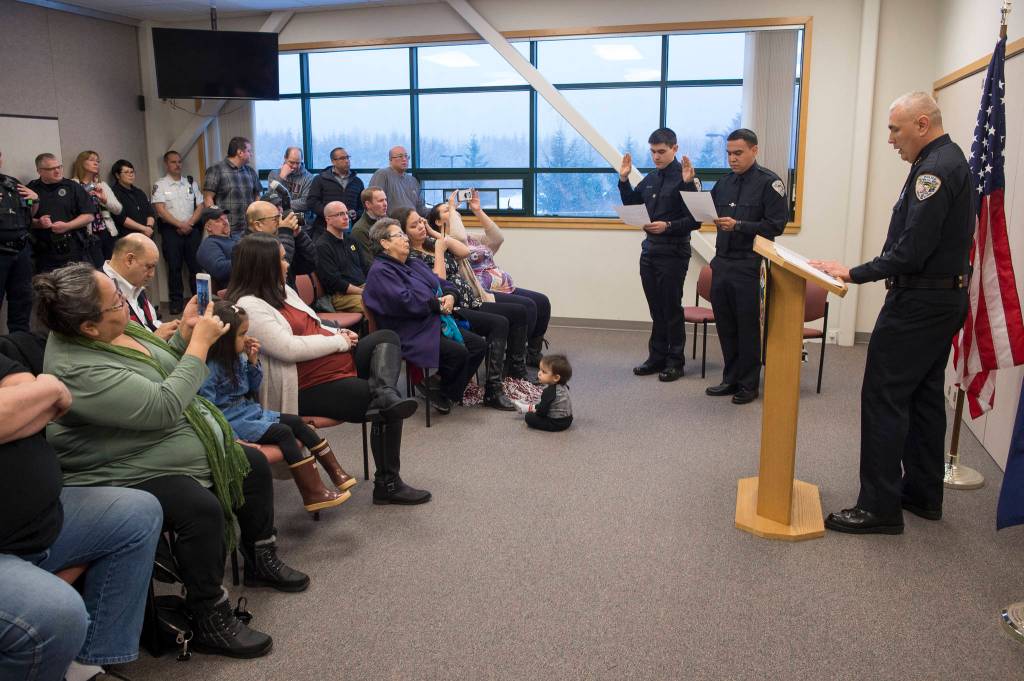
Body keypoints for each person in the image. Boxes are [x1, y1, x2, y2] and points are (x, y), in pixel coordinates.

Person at [37, 263, 308, 657]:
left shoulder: (115, 329)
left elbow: (167, 369)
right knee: (200, 508)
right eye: (114, 302)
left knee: (250, 466)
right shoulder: (77, 368)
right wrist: (200, 344)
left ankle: (260, 560)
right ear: (88, 328)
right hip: (115, 469)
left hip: (149, 444)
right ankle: (208, 613)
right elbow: (162, 406)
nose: (124, 303)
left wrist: (182, 335)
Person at [809, 91, 972, 535]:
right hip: (940, 300)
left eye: (894, 129)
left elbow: (912, 249)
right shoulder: (943, 160)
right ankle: (922, 492)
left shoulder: (935, 170)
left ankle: (878, 507)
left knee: (883, 397)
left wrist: (854, 273)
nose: (890, 139)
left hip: (919, 303)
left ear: (922, 124)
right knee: (921, 397)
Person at [226, 233, 430, 505]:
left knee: (387, 338)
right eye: (282, 260)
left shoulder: (282, 290)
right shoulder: (249, 306)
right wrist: (337, 342)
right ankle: (388, 484)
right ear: (262, 266)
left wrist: (336, 330)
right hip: (307, 385)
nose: (287, 265)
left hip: (334, 364)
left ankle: (385, 393)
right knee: (384, 408)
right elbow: (288, 348)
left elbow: (313, 322)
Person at [0, 348, 163, 681]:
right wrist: (48, 389)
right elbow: (40, 396)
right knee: (56, 613)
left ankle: (86, 666)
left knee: (138, 513)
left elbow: (28, 390)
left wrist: (27, 401)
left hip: (42, 517)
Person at [199, 300, 350, 512]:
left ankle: (335, 473)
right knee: (284, 433)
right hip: (234, 422)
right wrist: (233, 438)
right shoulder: (210, 368)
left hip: (250, 412)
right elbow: (208, 410)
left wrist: (252, 362)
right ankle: (312, 492)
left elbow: (252, 387)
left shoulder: (237, 357)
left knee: (297, 422)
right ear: (224, 338)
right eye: (241, 335)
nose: (246, 338)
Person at [396, 205, 517, 410]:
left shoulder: (430, 241)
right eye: (414, 225)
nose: (420, 226)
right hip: (449, 307)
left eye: (421, 221)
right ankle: (487, 389)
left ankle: (450, 386)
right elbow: (437, 281)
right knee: (498, 325)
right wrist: (440, 250)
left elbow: (465, 251)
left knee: (512, 317)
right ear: (403, 232)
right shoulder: (411, 257)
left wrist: (435, 235)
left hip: (465, 299)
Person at [363, 218, 487, 415]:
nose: (405, 238)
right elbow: (404, 302)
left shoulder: (411, 262)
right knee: (459, 353)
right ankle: (439, 388)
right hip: (410, 329)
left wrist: (451, 296)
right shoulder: (380, 271)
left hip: (433, 321)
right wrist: (436, 304)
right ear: (384, 243)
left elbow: (440, 283)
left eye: (404, 234)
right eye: (399, 235)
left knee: (478, 346)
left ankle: (442, 389)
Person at [704, 129, 788, 405]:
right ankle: (730, 378)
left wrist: (739, 225)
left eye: (738, 153)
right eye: (728, 153)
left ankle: (749, 384)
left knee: (748, 326)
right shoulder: (724, 183)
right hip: (723, 262)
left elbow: (776, 226)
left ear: (754, 150)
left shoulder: (769, 183)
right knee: (726, 324)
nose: (732, 159)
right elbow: (707, 209)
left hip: (750, 264)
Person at [431, 190, 550, 370]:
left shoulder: (470, 237)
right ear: (438, 222)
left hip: (504, 285)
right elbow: (458, 238)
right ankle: (516, 356)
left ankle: (531, 353)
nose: (454, 212)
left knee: (542, 301)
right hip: (484, 289)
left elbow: (497, 238)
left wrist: (477, 210)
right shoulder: (450, 241)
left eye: (454, 210)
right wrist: (454, 209)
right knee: (528, 306)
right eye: (447, 211)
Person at [618, 127, 700, 382]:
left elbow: (697, 220)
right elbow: (632, 203)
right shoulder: (651, 178)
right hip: (650, 250)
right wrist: (623, 180)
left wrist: (669, 226)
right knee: (656, 308)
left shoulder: (687, 177)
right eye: (653, 152)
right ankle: (656, 357)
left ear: (675, 149)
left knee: (671, 308)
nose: (656, 156)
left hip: (674, 251)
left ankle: (675, 361)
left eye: (662, 152)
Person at [152, 150, 204, 315]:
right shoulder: (160, 185)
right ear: (166, 164)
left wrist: (190, 223)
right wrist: (179, 225)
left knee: (195, 267)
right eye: (173, 162)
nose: (177, 165)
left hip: (191, 229)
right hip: (171, 231)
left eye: (179, 162)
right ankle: (176, 302)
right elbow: (160, 210)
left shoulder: (190, 183)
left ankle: (199, 301)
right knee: (174, 268)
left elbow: (200, 206)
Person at [27, 153, 98, 272]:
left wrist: (67, 226)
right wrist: (38, 223)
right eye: (51, 169)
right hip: (45, 252)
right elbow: (24, 218)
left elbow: (89, 215)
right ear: (40, 171)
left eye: (59, 167)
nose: (57, 171)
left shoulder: (72, 187)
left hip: (73, 248)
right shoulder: (31, 190)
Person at [103, 233, 179, 339]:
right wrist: (155, 338)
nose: (152, 274)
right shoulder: (100, 292)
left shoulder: (132, 281)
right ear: (129, 260)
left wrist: (173, 328)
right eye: (149, 267)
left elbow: (151, 323)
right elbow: (114, 347)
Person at [0, 150, 39, 332]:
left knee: (22, 302)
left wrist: (35, 200)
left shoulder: (11, 183)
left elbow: (29, 214)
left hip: (21, 251)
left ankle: (19, 346)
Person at [246, 199, 318, 284]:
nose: (281, 222)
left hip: (289, 294)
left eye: (280, 216)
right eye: (276, 219)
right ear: (258, 225)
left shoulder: (280, 238)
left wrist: (299, 236)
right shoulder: (245, 248)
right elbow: (275, 272)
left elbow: (310, 264)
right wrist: (285, 231)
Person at [203, 136, 262, 236]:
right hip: (227, 230)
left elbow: (257, 196)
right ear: (240, 153)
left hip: (249, 229)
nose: (251, 154)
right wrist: (217, 224)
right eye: (249, 151)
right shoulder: (216, 169)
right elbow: (208, 198)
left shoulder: (251, 172)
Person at [70, 150, 122, 261]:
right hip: (87, 235)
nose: (96, 163)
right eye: (91, 160)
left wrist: (104, 200)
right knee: (97, 270)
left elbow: (118, 209)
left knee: (112, 269)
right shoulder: (73, 185)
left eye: (98, 161)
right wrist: (85, 196)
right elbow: (70, 210)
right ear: (81, 163)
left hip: (106, 232)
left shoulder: (102, 185)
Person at [316, 200, 366, 313]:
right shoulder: (322, 246)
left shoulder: (351, 239)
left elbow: (364, 267)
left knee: (389, 296)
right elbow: (335, 282)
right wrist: (363, 292)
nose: (346, 217)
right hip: (341, 295)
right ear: (328, 220)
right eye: (340, 214)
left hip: (362, 287)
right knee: (374, 304)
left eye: (346, 213)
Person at [307, 146, 364, 242]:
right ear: (333, 161)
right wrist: (331, 214)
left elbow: (362, 207)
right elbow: (312, 202)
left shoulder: (357, 182)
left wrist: (356, 214)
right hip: (323, 229)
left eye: (347, 157)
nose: (347, 161)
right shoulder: (320, 179)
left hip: (349, 231)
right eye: (342, 158)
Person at [517, 353, 573, 432]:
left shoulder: (549, 391)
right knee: (543, 403)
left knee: (529, 417)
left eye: (544, 372)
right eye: (540, 370)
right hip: (568, 420)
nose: (539, 373)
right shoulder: (564, 386)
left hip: (556, 423)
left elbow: (542, 413)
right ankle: (528, 407)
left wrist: (536, 413)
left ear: (556, 377)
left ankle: (528, 409)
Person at [267, 146, 316, 228]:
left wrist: (281, 205)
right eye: (291, 162)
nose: (295, 166)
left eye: (298, 163)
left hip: (301, 224)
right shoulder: (274, 174)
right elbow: (272, 198)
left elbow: (305, 203)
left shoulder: (309, 178)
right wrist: (281, 178)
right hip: (279, 224)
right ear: (285, 159)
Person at [109, 159, 156, 243]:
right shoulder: (113, 193)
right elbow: (121, 218)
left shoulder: (139, 192)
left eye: (132, 172)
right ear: (117, 175)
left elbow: (150, 213)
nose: (131, 175)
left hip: (147, 236)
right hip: (129, 239)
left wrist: (148, 227)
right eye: (126, 172)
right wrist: (143, 228)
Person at [369, 146, 425, 215]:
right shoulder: (382, 174)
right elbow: (375, 205)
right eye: (400, 156)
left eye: (406, 156)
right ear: (390, 160)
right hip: (390, 224)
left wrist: (437, 210)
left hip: (413, 222)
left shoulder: (412, 180)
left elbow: (421, 209)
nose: (404, 159)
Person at [196, 205, 239, 292]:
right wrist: (248, 260)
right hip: (234, 291)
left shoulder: (236, 237)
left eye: (225, 218)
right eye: (218, 221)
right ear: (208, 227)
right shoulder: (209, 245)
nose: (225, 222)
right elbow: (220, 270)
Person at [350, 185, 388, 269]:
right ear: (368, 204)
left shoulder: (387, 221)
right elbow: (368, 263)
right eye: (380, 201)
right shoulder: (360, 230)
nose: (385, 204)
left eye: (385, 199)